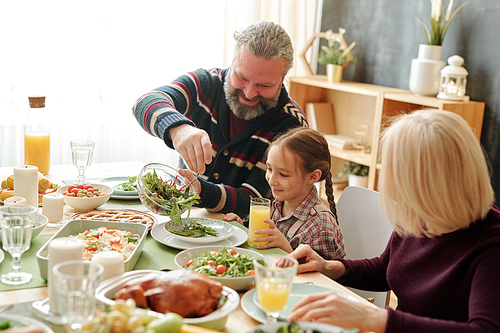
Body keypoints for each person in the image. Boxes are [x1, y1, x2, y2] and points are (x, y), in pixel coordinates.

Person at [286, 110, 500, 332]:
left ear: (433, 183)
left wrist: (379, 319)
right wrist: (329, 267)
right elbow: (386, 268)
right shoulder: (422, 213)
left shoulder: (491, 244)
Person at [132, 21, 308, 218]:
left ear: (283, 77)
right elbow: (144, 102)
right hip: (184, 221)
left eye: (264, 85)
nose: (249, 93)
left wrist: (201, 191)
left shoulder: (292, 126)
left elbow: (257, 202)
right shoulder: (206, 84)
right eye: (241, 77)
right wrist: (178, 129)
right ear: (232, 63)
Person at [224, 127, 345, 259]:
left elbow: (319, 275)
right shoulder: (276, 204)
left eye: (283, 174)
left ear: (313, 177)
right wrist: (244, 230)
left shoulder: (321, 224)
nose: (272, 180)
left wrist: (284, 246)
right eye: (269, 169)